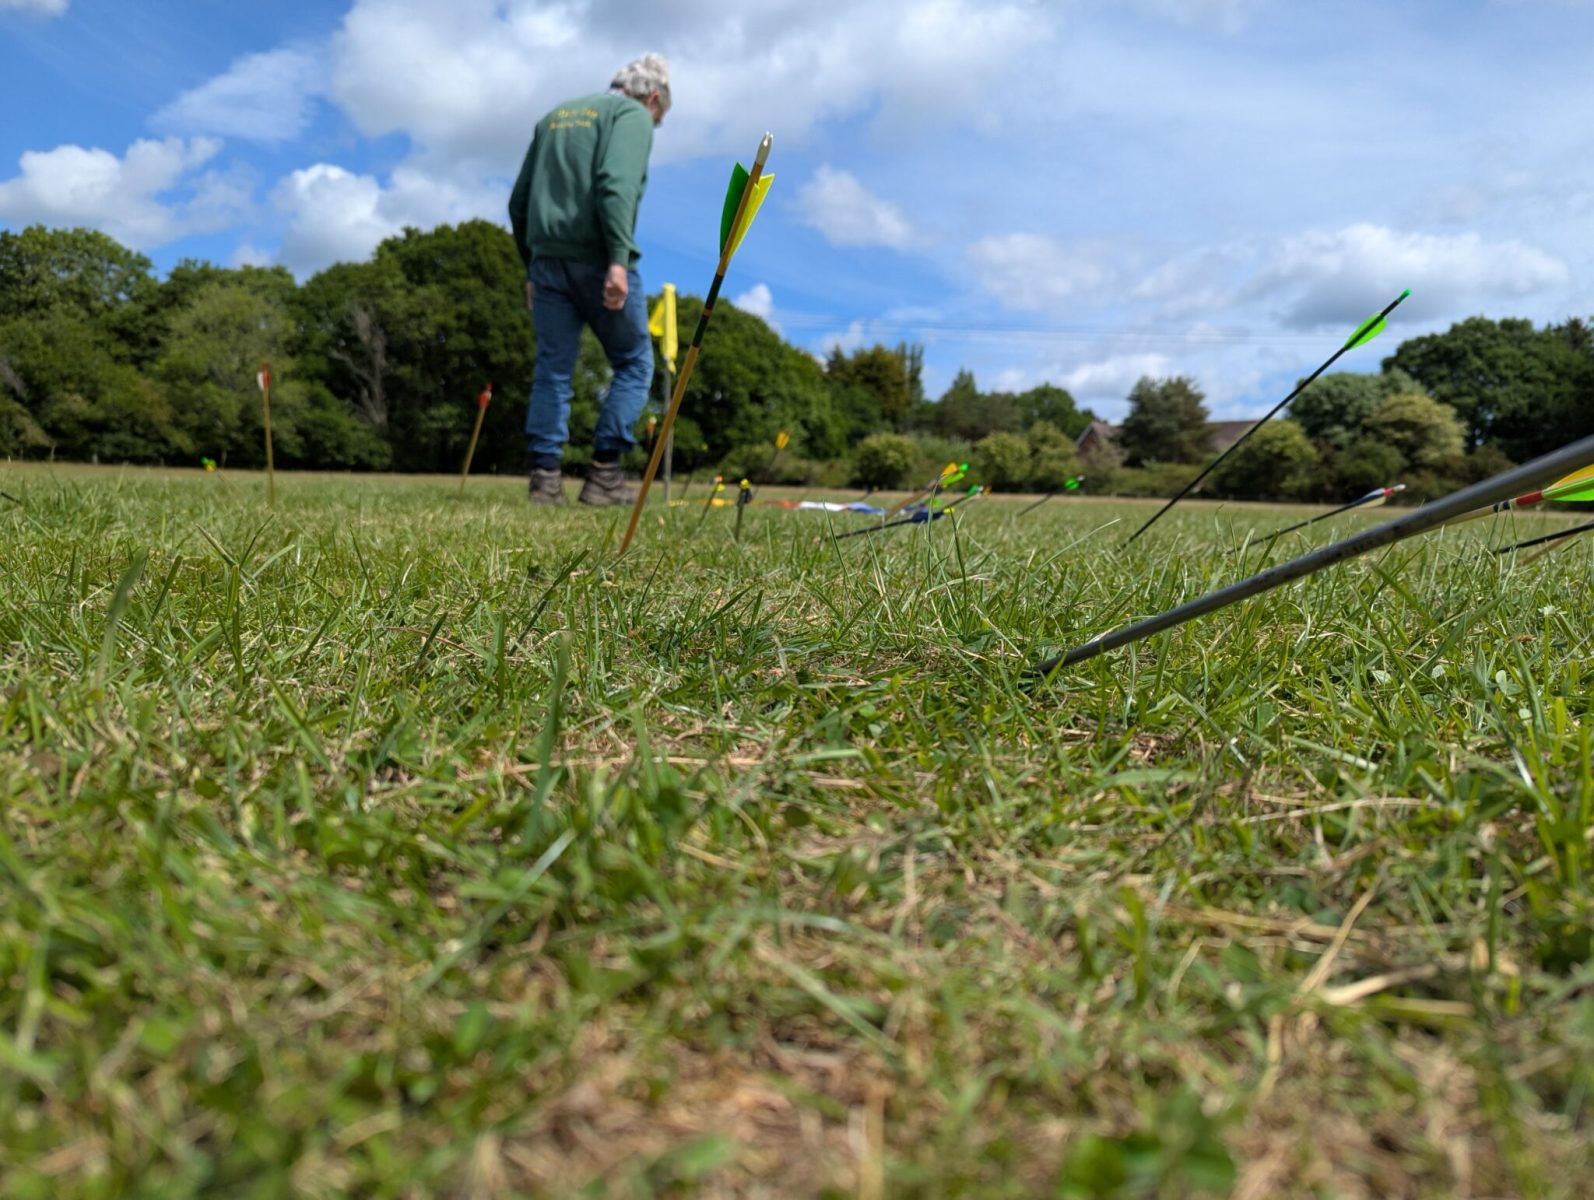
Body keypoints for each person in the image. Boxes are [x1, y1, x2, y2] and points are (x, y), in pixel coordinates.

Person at [508, 53, 670, 506]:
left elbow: (519, 201)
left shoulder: (553, 117)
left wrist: (531, 267)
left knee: (554, 369)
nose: (653, 125)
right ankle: (604, 476)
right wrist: (618, 260)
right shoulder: (631, 115)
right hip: (599, 259)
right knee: (635, 363)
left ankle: (545, 481)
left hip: (546, 262)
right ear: (652, 99)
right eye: (658, 118)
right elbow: (616, 184)